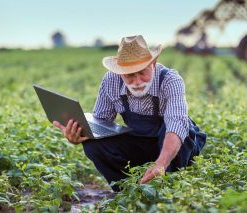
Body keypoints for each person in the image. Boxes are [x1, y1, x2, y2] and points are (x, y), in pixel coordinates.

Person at [53, 35, 206, 191]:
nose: (138, 81)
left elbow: (176, 125)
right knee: (93, 143)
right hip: (141, 143)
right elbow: (101, 123)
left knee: (182, 126)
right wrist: (78, 134)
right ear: (120, 72)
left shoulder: (170, 80)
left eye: (142, 72)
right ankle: (129, 192)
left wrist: (161, 164)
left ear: (153, 64)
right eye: (130, 75)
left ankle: (168, 188)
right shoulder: (111, 81)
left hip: (175, 147)